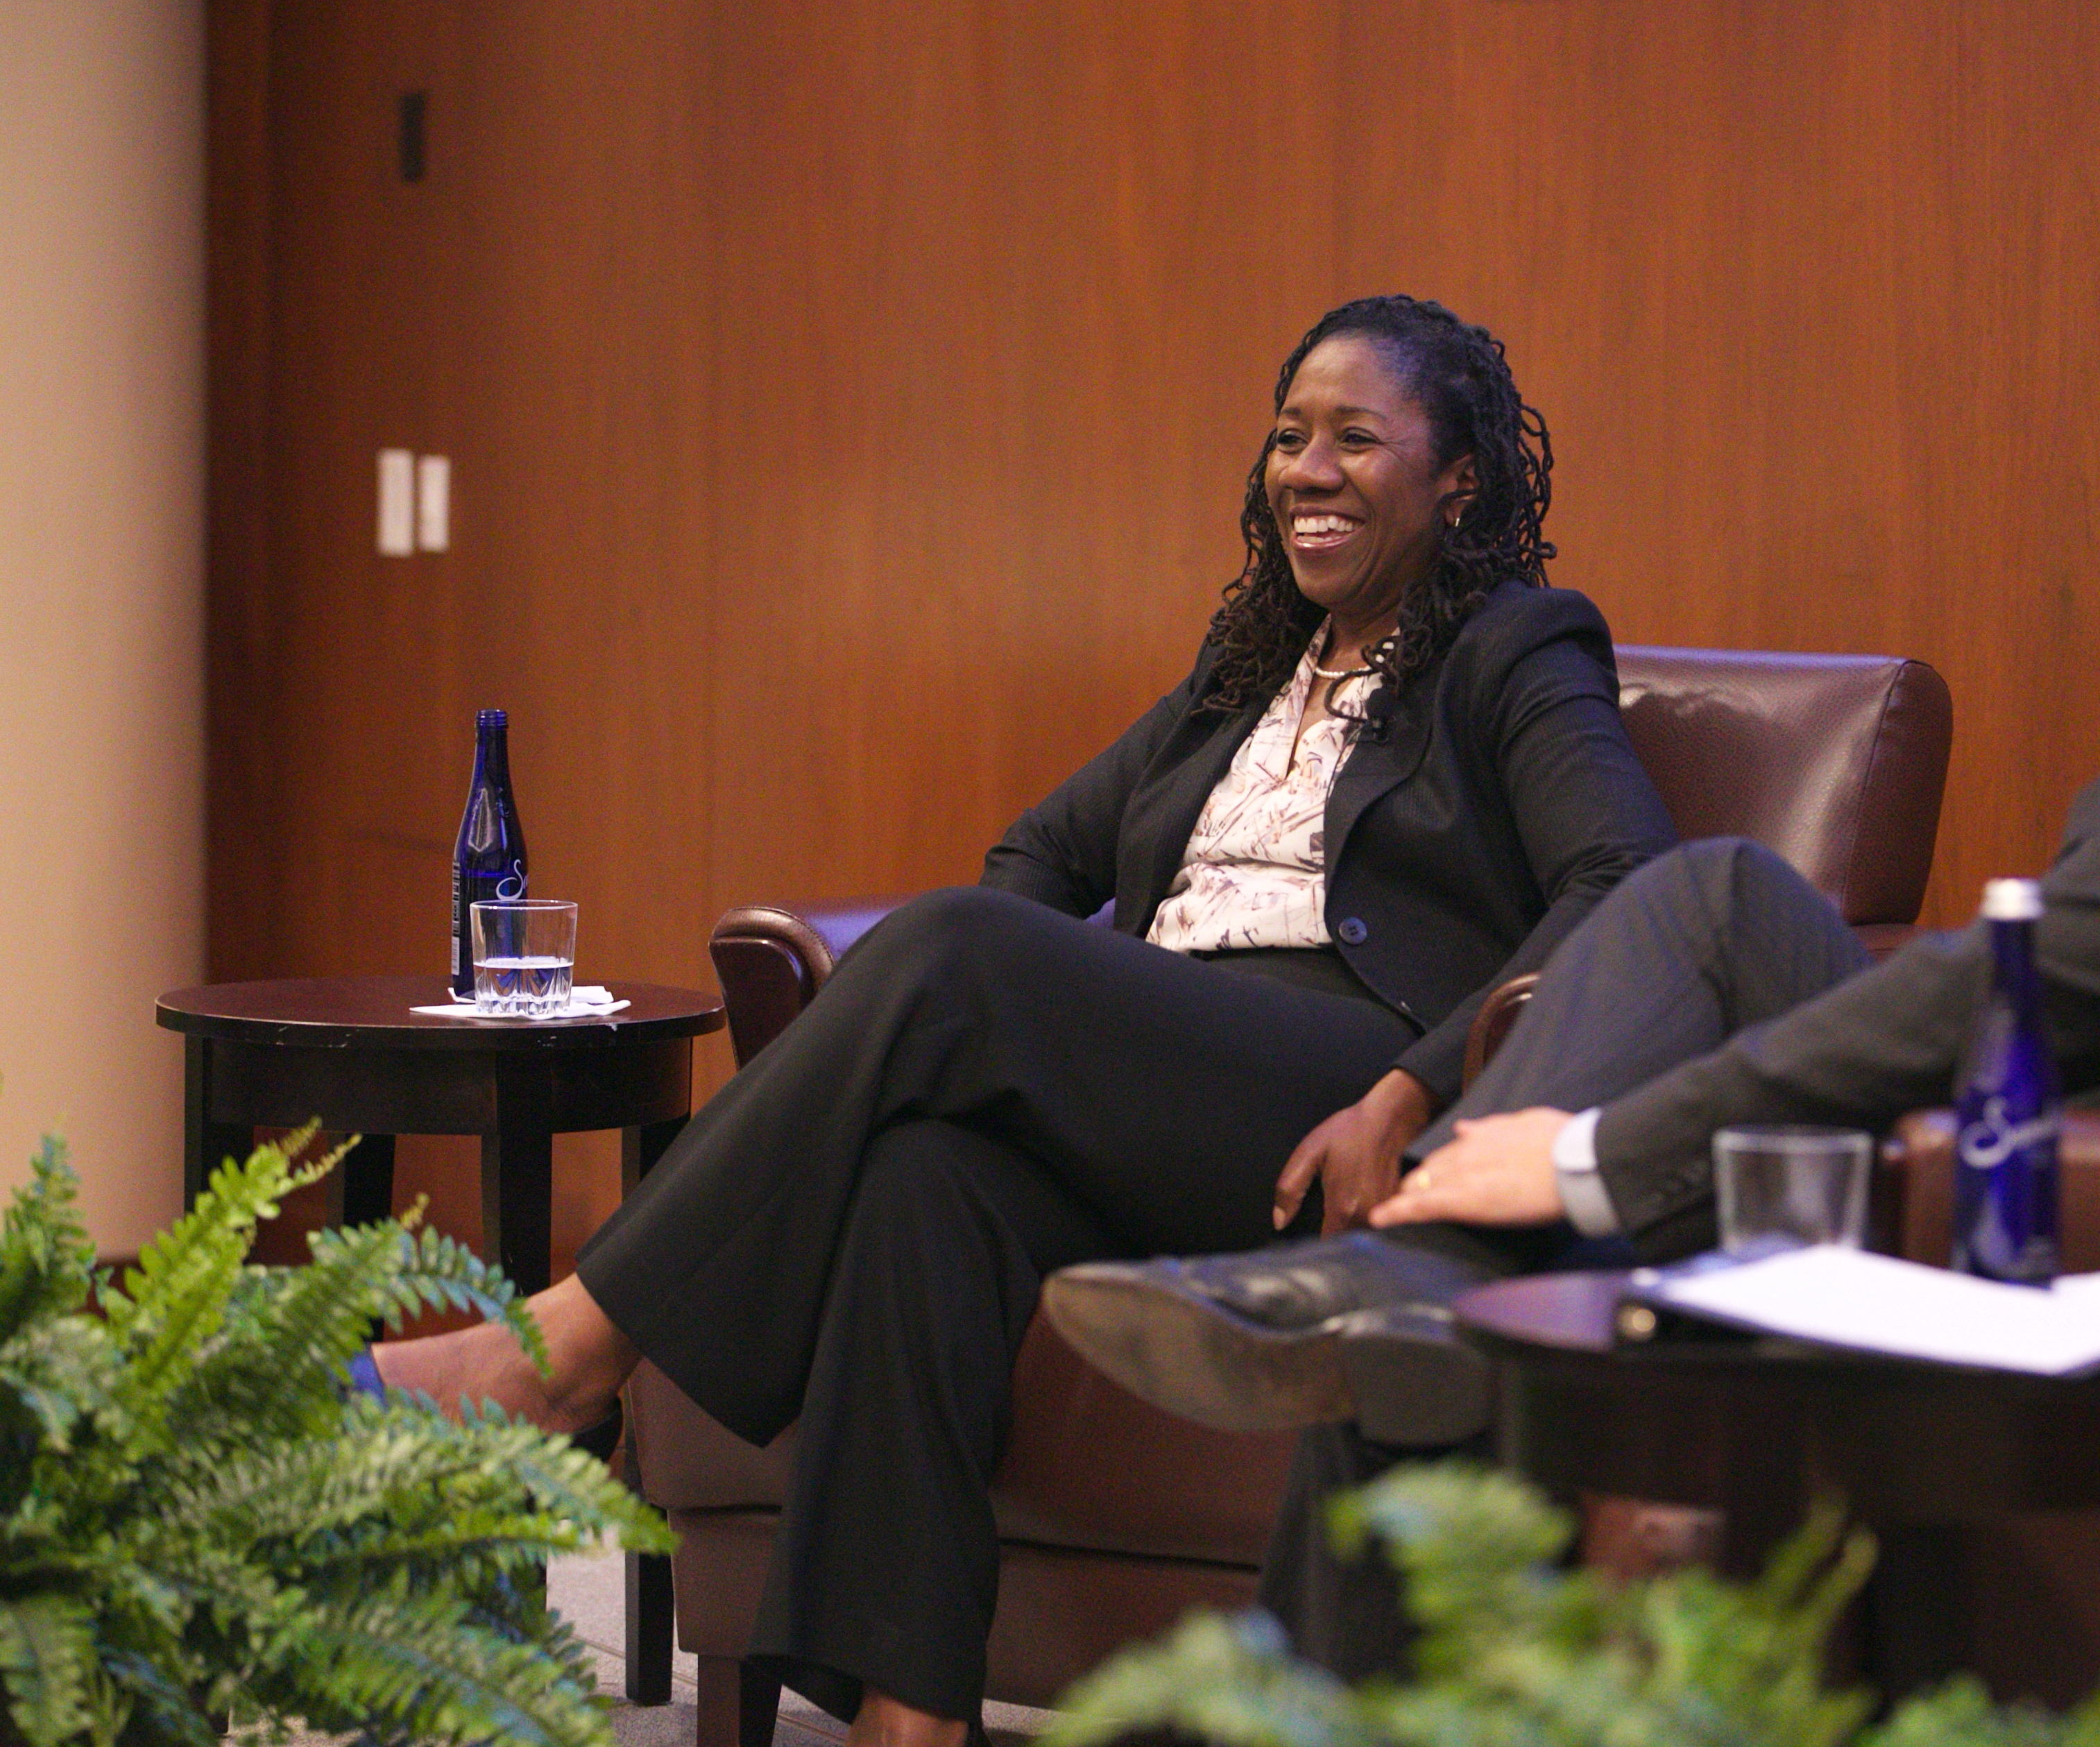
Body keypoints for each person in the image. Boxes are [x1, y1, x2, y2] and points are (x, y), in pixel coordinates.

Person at [1045, 121, 2100, 1660]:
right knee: (1708, 917)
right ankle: (1407, 1295)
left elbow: (2026, 994)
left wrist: (1593, 1147)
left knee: (1503, 1257)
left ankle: (1401, 1304)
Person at [365, 294, 1679, 1747]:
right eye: (1288, 433)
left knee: (952, 950)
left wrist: (1412, 1089)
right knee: (925, 1177)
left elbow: (1627, 882)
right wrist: (1060, 1042)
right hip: (1175, 1073)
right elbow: (1034, 861)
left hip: (1339, 1080)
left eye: (1355, 437)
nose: (1307, 466)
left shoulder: (1515, 649)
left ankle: (556, 1352)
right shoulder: (1240, 676)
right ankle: (909, 1721)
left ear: (1458, 480)